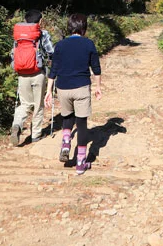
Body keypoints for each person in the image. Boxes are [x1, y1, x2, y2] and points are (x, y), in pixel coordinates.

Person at [45, 13, 102, 174]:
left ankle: (65, 143)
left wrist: (49, 90)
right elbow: (96, 68)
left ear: (69, 27)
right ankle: (80, 162)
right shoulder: (89, 44)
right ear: (84, 28)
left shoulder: (60, 45)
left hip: (63, 88)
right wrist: (98, 87)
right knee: (82, 123)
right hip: (81, 87)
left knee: (67, 117)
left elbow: (54, 69)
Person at [10, 9, 55, 146]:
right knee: (38, 105)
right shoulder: (42, 33)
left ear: (25, 20)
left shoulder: (18, 34)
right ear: (40, 21)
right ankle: (35, 135)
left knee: (25, 103)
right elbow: (51, 52)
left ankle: (17, 124)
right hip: (38, 74)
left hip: (22, 74)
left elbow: (13, 54)